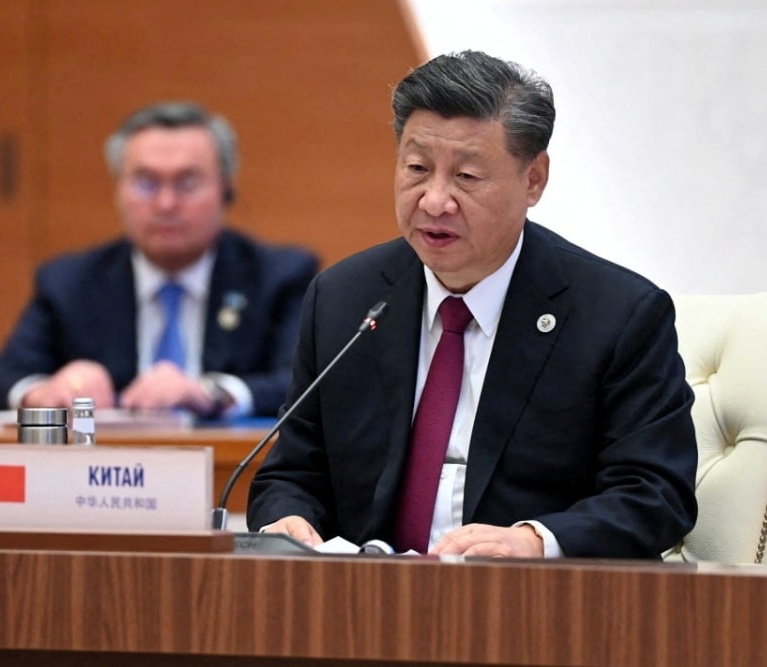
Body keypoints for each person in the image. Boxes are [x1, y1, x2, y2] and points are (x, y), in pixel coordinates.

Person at [247, 51, 698, 559]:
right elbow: (292, 471)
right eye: (417, 168)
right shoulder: (345, 299)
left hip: (532, 612)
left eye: (466, 177)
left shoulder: (617, 315)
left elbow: (655, 495)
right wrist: (288, 519)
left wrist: (534, 541)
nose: (434, 200)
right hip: (364, 609)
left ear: (533, 181)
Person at [0, 101, 319, 419]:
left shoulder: (279, 277)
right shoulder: (69, 282)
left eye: (187, 182)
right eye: (146, 183)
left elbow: (306, 388)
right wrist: (43, 392)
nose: (166, 204)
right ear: (117, 190)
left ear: (226, 190)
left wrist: (210, 393)